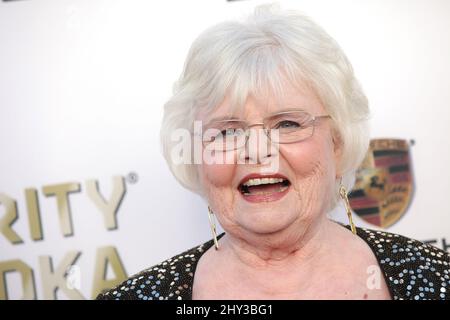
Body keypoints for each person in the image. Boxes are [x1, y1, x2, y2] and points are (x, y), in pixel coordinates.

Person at [97, 5, 449, 300]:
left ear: (337, 143)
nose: (256, 151)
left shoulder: (435, 277)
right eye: (228, 131)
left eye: (287, 124)